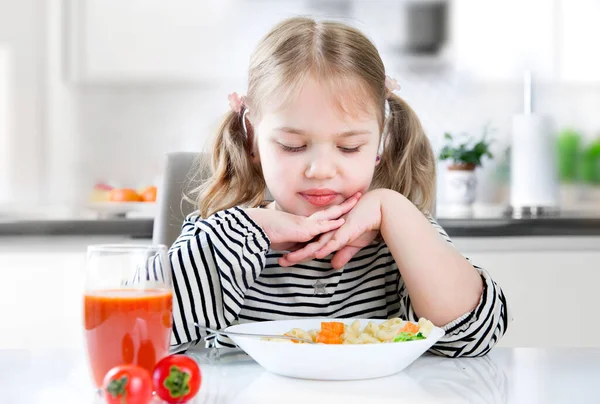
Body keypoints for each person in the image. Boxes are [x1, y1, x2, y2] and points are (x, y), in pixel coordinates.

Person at [168, 16, 508, 357]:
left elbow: (473, 337)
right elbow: (146, 332)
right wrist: (253, 226)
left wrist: (392, 208)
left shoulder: (402, 238)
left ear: (379, 144)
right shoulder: (220, 237)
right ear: (252, 140)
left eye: (349, 148)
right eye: (291, 145)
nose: (321, 170)